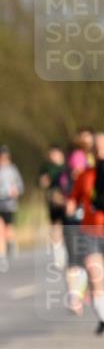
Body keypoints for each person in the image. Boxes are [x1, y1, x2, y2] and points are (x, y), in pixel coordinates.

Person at [67, 132, 104, 335]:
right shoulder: (85, 175)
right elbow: (74, 198)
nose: (100, 152)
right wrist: (70, 206)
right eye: (97, 148)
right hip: (91, 230)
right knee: (94, 272)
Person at [63, 128, 95, 314]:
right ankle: (74, 296)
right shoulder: (77, 156)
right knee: (77, 257)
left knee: (88, 258)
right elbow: (78, 182)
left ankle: (80, 293)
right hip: (78, 213)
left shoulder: (96, 160)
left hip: (92, 215)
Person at [0, 145, 23, 271]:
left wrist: (16, 191)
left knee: (8, 230)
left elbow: (20, 186)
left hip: (9, 205)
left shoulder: (13, 170)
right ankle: (1, 258)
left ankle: (11, 244)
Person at [39, 145, 70, 270]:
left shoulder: (68, 166)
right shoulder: (47, 168)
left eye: (56, 154)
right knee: (55, 227)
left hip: (67, 200)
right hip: (54, 202)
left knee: (68, 227)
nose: (54, 157)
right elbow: (42, 183)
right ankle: (58, 255)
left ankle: (69, 252)